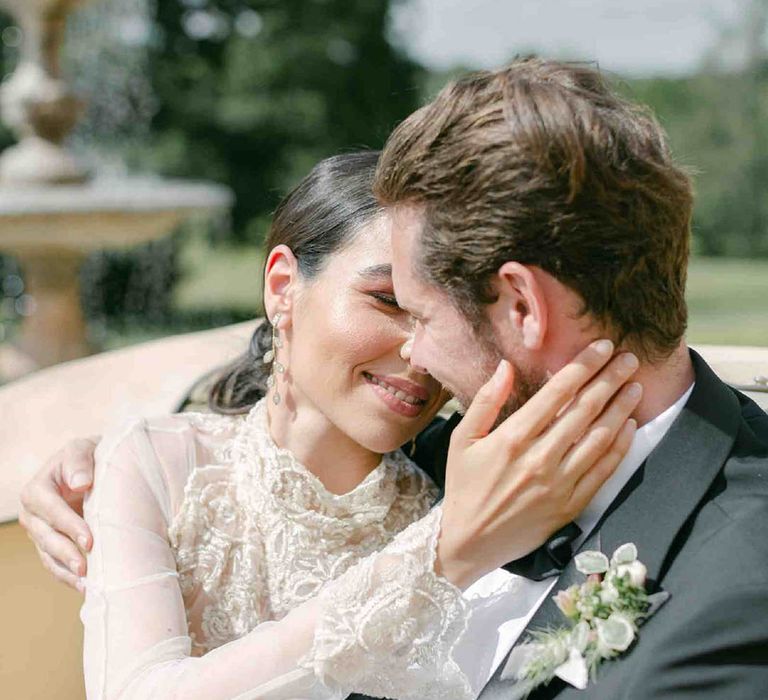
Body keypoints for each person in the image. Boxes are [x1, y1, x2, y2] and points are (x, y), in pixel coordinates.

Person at [22, 57, 768, 698]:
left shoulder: (737, 597)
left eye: (419, 313)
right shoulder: (445, 460)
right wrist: (96, 464)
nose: (417, 359)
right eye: (389, 306)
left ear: (520, 307)